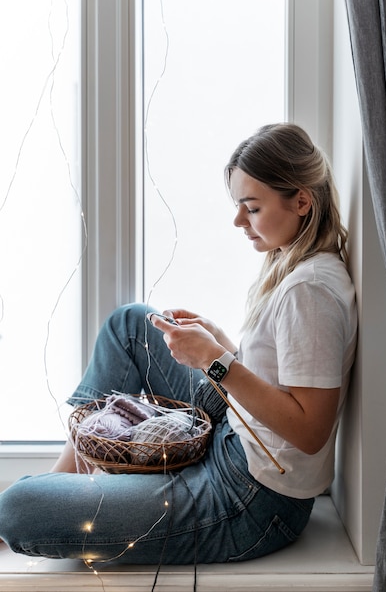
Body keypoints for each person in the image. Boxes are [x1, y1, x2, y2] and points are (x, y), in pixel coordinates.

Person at [0, 123, 357, 566]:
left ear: (302, 201)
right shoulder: (296, 264)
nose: (238, 221)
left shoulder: (312, 290)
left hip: (253, 497)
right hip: (237, 430)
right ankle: (69, 476)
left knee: (17, 509)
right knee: (130, 325)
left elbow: (309, 431)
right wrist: (219, 342)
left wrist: (214, 360)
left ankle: (64, 493)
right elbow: (281, 373)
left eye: (252, 207)